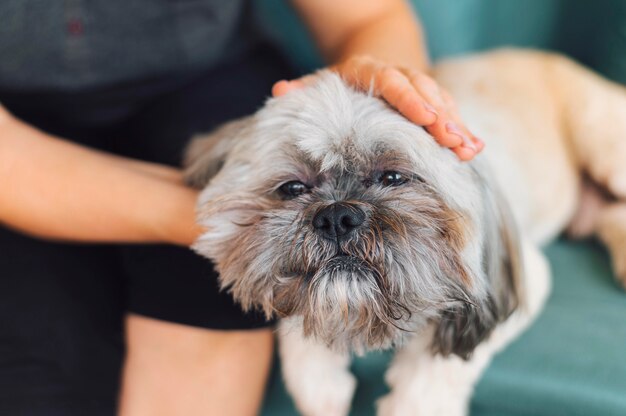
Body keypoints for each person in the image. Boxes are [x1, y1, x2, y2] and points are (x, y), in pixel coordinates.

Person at [0, 0, 482, 414]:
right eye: (293, 189)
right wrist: (235, 227)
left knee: (209, 289)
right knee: (41, 380)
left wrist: (385, 86)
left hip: (205, 82)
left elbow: (369, 16)